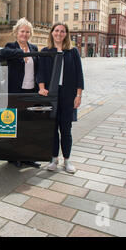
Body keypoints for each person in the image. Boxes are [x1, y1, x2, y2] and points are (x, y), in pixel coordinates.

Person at [37, 22, 84, 174]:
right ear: (52, 33)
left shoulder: (73, 52)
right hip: (52, 94)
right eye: (56, 31)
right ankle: (53, 159)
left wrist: (78, 95)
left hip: (68, 95)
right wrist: (42, 88)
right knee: (52, 129)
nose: (59, 33)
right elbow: (41, 72)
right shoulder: (46, 51)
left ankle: (67, 160)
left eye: (62, 31)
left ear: (66, 34)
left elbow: (79, 75)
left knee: (66, 129)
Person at [0, 18, 41, 169]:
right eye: (22, 31)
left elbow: (39, 69)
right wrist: (20, 52)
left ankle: (27, 156)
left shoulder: (34, 48)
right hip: (14, 92)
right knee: (12, 125)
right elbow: (3, 54)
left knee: (27, 126)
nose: (24, 34)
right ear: (16, 33)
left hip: (30, 91)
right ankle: (13, 156)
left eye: (27, 31)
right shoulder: (11, 46)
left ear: (31, 33)